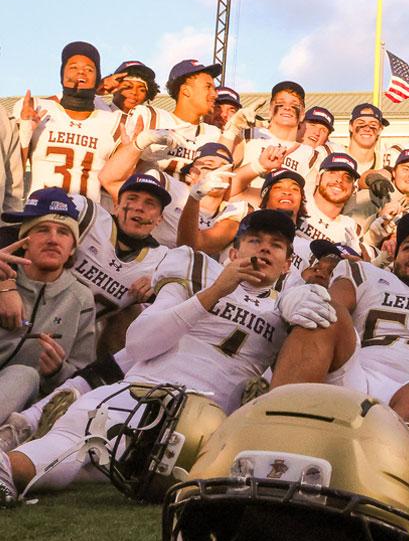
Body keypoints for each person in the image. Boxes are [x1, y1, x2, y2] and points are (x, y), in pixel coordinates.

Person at [0, 209, 329, 503]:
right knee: (62, 455)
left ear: (288, 263)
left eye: (276, 244)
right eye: (254, 240)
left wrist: (298, 302)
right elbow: (140, 343)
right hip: (138, 398)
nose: (264, 248)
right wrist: (214, 293)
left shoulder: (291, 303)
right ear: (233, 252)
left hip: (203, 434)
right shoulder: (197, 272)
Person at [270, 211, 409, 422]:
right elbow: (332, 306)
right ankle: (277, 422)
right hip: (355, 374)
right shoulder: (367, 275)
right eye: (408, 247)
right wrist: (295, 298)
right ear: (394, 259)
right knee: (324, 313)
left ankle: (388, 454)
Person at [0, 189, 95, 423]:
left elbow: (81, 377)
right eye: (42, 229)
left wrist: (57, 372)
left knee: (24, 374)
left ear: (73, 247)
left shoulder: (81, 298)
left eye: (63, 232)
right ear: (24, 241)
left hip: (21, 404)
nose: (53, 239)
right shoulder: (2, 274)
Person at [68, 174, 172, 356]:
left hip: (75, 339)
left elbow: (179, 305)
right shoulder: (87, 215)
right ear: (116, 206)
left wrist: (158, 289)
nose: (139, 208)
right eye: (132, 199)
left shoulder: (161, 261)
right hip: (30, 308)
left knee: (133, 314)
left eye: (150, 204)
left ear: (159, 219)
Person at [18, 41, 124, 201]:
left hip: (89, 218)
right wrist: (25, 129)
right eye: (73, 67)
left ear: (98, 78)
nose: (81, 73)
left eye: (89, 69)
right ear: (62, 74)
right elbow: (12, 170)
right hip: (40, 215)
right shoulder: (36, 109)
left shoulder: (112, 121)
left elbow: (119, 181)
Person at [123, 59, 225, 177]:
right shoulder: (148, 116)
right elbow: (117, 171)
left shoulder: (213, 134)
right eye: (208, 87)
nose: (215, 94)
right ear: (186, 90)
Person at [172, 143, 247, 256]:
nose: (216, 172)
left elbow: (190, 248)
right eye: (208, 166)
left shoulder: (235, 210)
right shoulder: (172, 189)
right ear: (193, 173)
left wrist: (195, 197)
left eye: (223, 167)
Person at [296, 153, 362, 250]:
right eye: (333, 172)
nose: (339, 180)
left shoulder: (351, 230)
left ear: (353, 189)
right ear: (318, 178)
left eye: (347, 177)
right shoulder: (296, 204)